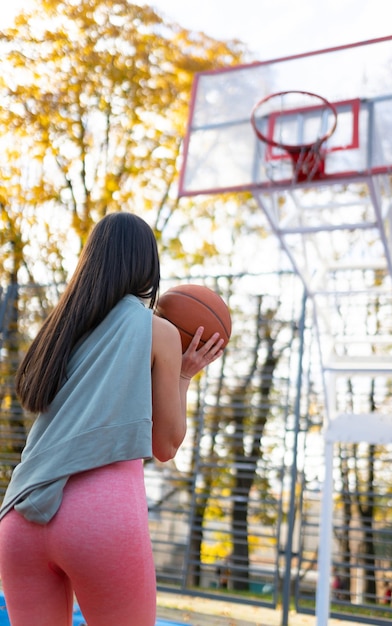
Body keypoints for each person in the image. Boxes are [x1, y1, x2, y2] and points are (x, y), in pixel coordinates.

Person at [0, 212, 224, 626]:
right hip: (99, 517)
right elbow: (166, 446)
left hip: (20, 513)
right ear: (147, 267)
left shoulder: (59, 328)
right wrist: (183, 376)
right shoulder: (158, 331)